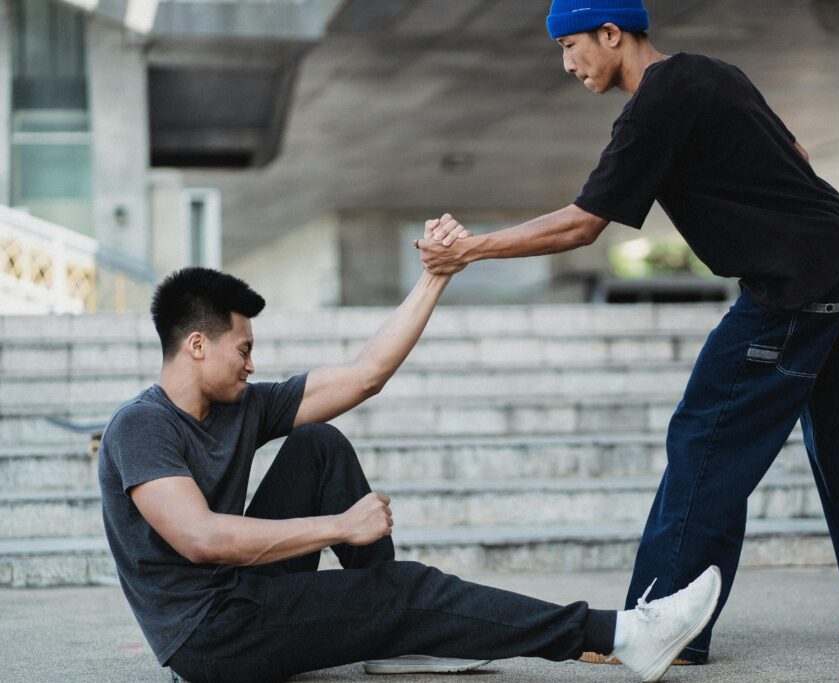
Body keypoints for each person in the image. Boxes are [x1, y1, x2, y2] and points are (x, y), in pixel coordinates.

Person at [417, 0, 839, 666]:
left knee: (705, 445)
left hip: (792, 287)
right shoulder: (712, 72)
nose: (567, 63)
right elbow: (798, 154)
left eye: (571, 44)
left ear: (612, 33)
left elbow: (583, 224)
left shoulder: (653, 104)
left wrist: (470, 249)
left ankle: (659, 626)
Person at [97, 216, 723, 683]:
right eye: (243, 350)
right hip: (208, 638)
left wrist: (435, 276)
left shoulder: (242, 406)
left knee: (317, 444)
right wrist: (339, 526)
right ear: (198, 345)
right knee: (406, 592)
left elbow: (367, 373)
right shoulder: (142, 427)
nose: (252, 363)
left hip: (244, 594)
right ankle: (621, 634)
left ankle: (394, 632)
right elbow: (200, 538)